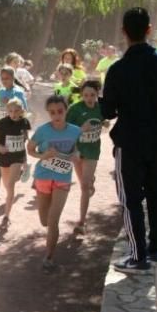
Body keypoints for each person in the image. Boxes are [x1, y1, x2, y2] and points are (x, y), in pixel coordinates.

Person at [101, 7, 157, 273]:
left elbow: (108, 111)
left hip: (129, 140)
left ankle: (137, 256)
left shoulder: (117, 69)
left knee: (131, 200)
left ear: (124, 32)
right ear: (149, 30)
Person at [28, 95, 81, 269]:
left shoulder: (75, 131)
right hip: (43, 176)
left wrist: (77, 156)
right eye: (52, 113)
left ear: (66, 111)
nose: (56, 115)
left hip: (62, 179)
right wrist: (42, 156)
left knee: (53, 220)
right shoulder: (43, 130)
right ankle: (50, 247)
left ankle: (49, 258)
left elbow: (79, 152)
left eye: (60, 111)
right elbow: (30, 150)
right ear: (48, 113)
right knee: (44, 221)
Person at [66, 80, 104, 234]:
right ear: (81, 95)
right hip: (77, 150)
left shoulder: (102, 107)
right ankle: (90, 182)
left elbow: (106, 118)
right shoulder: (75, 109)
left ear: (97, 94)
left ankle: (81, 221)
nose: (89, 98)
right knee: (84, 184)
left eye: (92, 95)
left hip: (93, 151)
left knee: (84, 187)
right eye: (86, 95)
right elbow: (67, 131)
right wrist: (82, 129)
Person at [0, 98, 31, 223]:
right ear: (7, 111)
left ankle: (6, 216)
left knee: (11, 185)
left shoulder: (25, 122)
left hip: (18, 156)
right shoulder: (1, 123)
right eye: (11, 111)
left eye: (16, 111)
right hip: (4, 157)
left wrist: (25, 156)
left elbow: (25, 138)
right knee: (8, 186)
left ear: (21, 111)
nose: (13, 114)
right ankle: (23, 172)